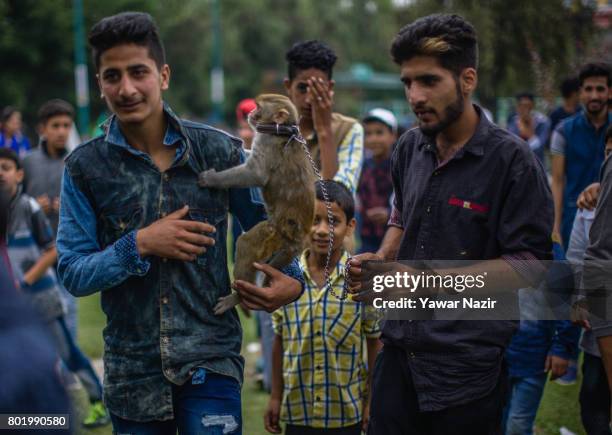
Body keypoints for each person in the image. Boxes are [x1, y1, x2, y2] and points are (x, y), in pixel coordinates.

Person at [56, 12, 303, 434]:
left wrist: (292, 281)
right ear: (99, 84)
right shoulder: (84, 168)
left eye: (138, 72)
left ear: (163, 75)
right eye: (112, 76)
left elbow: (268, 228)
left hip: (211, 362)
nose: (127, 88)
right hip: (133, 373)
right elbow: (73, 273)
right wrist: (139, 244)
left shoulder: (219, 151)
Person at [347, 14, 552, 435]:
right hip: (398, 353)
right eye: (407, 83)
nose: (415, 96)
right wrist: (382, 259)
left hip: (466, 370)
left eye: (429, 81)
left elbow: (530, 267)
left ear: (467, 79)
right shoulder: (409, 146)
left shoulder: (512, 162)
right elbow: (403, 214)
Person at [0, 148, 108, 427]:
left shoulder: (28, 208)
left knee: (67, 353)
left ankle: (98, 401)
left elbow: (52, 251)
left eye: (6, 167)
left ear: (19, 174)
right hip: (13, 308)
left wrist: (23, 281)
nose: (1, 173)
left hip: (42, 299)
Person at [265, 181, 381, 435]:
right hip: (298, 412)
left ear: (350, 227)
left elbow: (375, 344)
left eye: (332, 222)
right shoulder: (287, 277)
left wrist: (371, 401)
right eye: (314, 219)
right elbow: (279, 340)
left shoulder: (363, 281)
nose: (320, 230)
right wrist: (275, 396)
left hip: (344, 413)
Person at [0, 187, 71, 432]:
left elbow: (51, 421)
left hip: (42, 297)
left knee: (69, 353)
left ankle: (95, 397)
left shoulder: (21, 358)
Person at [23, 99, 78, 339]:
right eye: (55, 126)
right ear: (42, 129)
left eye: (66, 125)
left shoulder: (77, 161)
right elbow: (13, 205)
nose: (62, 132)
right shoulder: (27, 161)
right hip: (34, 252)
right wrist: (33, 206)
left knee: (68, 310)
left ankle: (67, 373)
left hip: (67, 249)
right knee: (34, 315)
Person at [284, 40, 363, 194]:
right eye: (302, 88)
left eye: (318, 88)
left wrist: (324, 130)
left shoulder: (349, 129)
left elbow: (336, 201)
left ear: (330, 88)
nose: (309, 99)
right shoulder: (274, 129)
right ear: (288, 86)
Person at [573, 125, 612, 434]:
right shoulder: (589, 207)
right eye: (608, 154)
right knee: (594, 396)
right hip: (601, 323)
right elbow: (581, 257)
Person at [551, 62, 611, 249]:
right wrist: (555, 228)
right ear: (580, 92)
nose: (594, 95)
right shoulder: (563, 131)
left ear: (610, 92)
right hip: (574, 218)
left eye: (600, 89)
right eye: (589, 89)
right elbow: (558, 181)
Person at [357, 108, 397, 253]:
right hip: (366, 237)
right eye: (368, 134)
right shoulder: (362, 166)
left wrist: (389, 213)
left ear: (393, 135)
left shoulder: (399, 166)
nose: (373, 139)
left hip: (395, 239)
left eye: (379, 133)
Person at [507, 92, 550, 164]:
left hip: (537, 165)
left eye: (528, 106)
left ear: (533, 106)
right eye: (522, 106)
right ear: (518, 107)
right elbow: (512, 148)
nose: (525, 110)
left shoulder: (543, 122)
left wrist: (528, 133)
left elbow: (539, 148)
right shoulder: (513, 123)